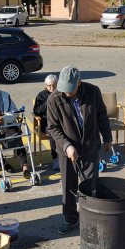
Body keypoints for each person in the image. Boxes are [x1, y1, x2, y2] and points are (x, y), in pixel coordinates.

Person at [47, 66, 112, 235]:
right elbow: (53, 128)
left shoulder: (93, 92)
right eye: (63, 89)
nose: (66, 93)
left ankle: (91, 220)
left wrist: (108, 138)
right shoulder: (54, 99)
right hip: (66, 151)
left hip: (90, 147)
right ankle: (70, 219)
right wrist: (67, 146)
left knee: (91, 186)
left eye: (70, 89)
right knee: (69, 187)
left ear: (79, 83)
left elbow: (102, 116)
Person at [33, 74, 59, 170]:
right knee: (53, 133)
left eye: (54, 85)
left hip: (61, 122)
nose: (52, 88)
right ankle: (56, 158)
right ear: (46, 85)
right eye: (49, 85)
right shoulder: (41, 95)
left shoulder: (62, 93)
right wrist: (48, 101)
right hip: (47, 123)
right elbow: (36, 111)